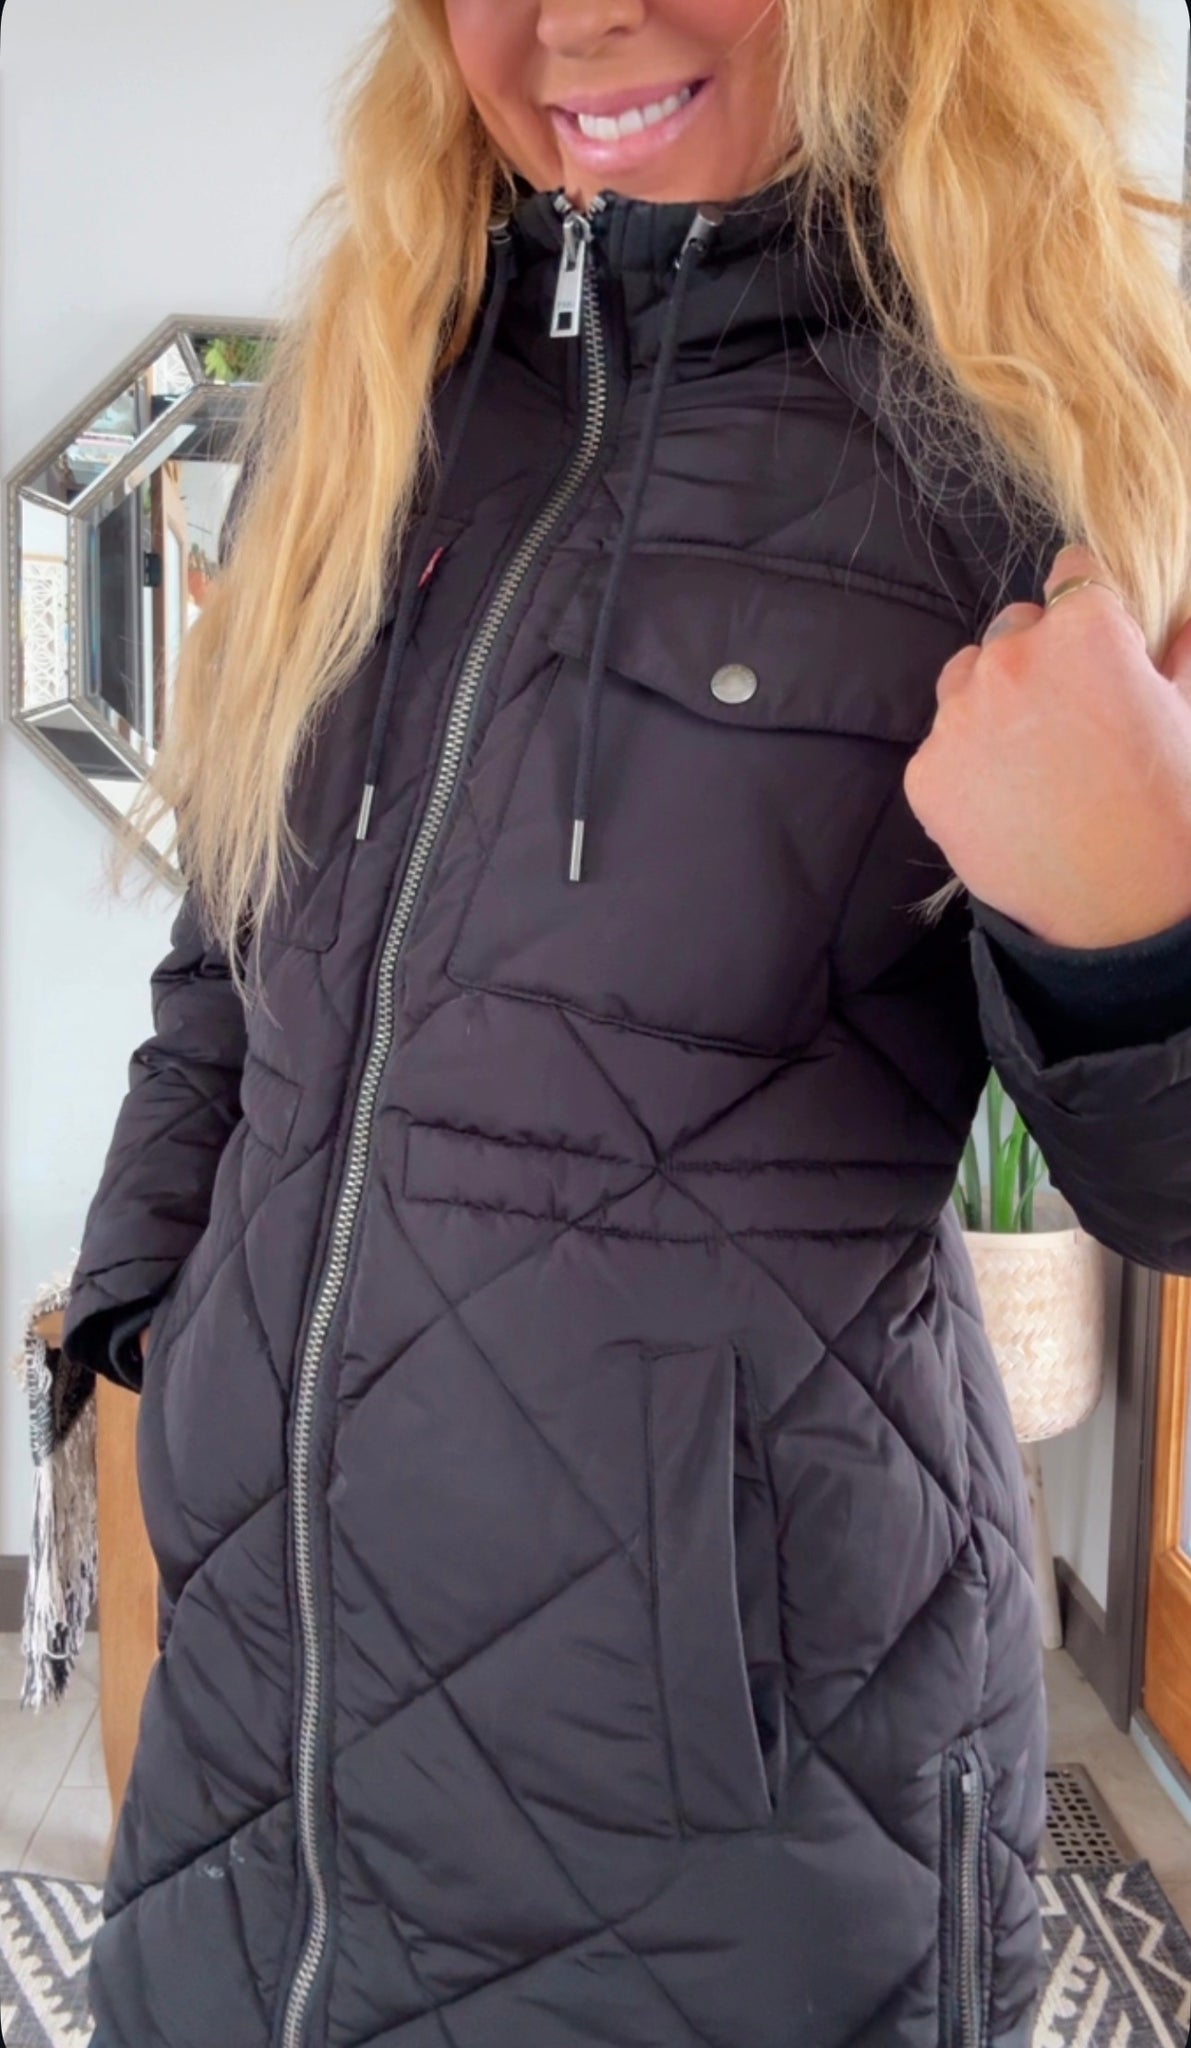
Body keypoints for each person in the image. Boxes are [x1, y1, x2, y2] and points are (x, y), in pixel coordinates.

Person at [63, 1, 1191, 2044]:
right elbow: (233, 940)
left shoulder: (1047, 426)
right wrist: (151, 1315)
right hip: (257, 1736)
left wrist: (1138, 929)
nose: (578, 21)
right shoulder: (368, 389)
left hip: (725, 1804)